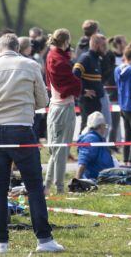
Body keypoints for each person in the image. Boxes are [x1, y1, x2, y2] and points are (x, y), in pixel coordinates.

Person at [0, 33, 63, 253]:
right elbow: (43, 101)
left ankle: (1, 242)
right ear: (18, 47)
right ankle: (44, 239)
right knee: (33, 186)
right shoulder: (30, 65)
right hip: (22, 129)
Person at [44, 29, 81, 193]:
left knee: (55, 150)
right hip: (64, 106)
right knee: (61, 149)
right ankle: (59, 187)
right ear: (65, 42)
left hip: (54, 105)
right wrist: (78, 78)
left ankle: (47, 185)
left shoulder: (51, 55)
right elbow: (72, 84)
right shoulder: (61, 61)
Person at [73, 34, 106, 133]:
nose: (105, 48)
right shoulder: (86, 57)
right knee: (86, 126)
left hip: (96, 100)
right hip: (88, 101)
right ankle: (82, 148)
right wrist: (83, 91)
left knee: (95, 127)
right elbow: (74, 74)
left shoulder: (97, 59)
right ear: (96, 45)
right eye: (103, 45)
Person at [74, 111, 115, 181]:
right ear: (100, 126)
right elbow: (83, 160)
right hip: (98, 175)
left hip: (104, 174)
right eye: (105, 126)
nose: (105, 128)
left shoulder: (98, 137)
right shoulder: (91, 139)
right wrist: (76, 180)